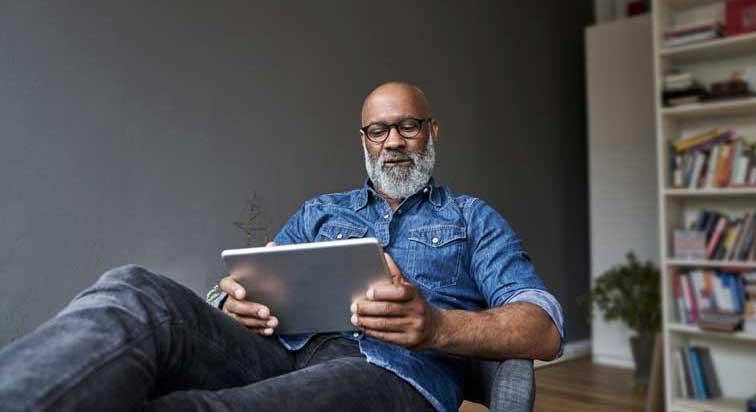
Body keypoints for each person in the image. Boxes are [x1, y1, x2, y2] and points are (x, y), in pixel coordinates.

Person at [0, 82, 564, 412]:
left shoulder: (470, 219)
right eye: (378, 130)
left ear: (432, 132)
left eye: (409, 125)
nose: (393, 140)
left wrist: (437, 327)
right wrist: (229, 303)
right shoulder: (322, 211)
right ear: (363, 141)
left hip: (393, 374)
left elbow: (543, 327)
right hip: (279, 351)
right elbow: (250, 281)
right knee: (134, 292)